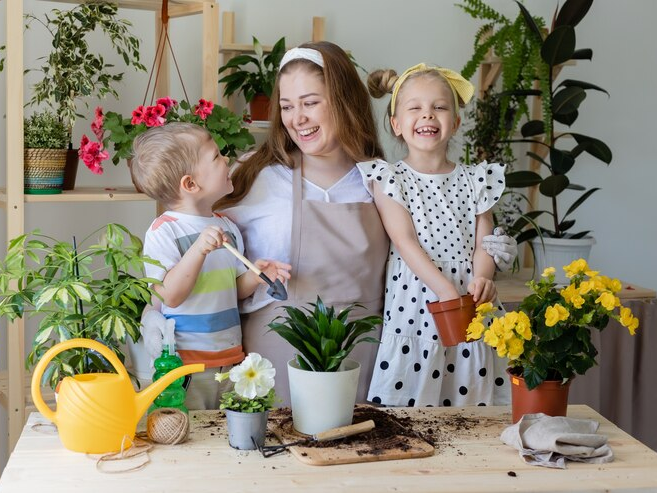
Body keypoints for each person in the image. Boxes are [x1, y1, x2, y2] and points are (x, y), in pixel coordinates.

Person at [218, 42, 516, 406]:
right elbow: (211, 276)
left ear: (343, 101)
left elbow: (433, 248)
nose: (297, 118)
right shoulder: (257, 177)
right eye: (287, 106)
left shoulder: (380, 179)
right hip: (278, 359)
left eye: (310, 103)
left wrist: (489, 253)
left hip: (365, 361)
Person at [359, 63, 510, 407]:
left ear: (455, 122)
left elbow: (483, 240)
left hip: (471, 298)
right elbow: (404, 241)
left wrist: (483, 277)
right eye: (415, 108)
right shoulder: (389, 178)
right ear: (397, 125)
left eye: (439, 107)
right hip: (419, 295)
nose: (427, 115)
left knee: (472, 389)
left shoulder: (476, 179)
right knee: (416, 394)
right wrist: (443, 290)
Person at [130, 122, 291, 409]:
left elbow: (234, 290)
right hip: (187, 363)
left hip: (230, 357)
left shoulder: (226, 225)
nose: (226, 158)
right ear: (190, 184)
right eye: (216, 156)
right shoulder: (163, 231)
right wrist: (198, 250)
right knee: (194, 434)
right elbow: (170, 295)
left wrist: (256, 276)